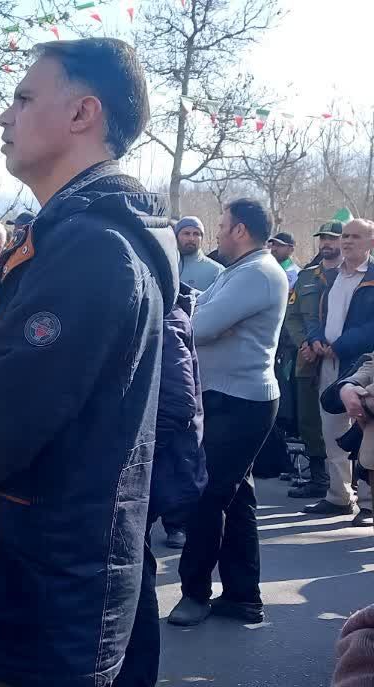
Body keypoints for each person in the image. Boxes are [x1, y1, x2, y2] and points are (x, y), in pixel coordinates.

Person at [0, 38, 178, 687]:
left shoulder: (93, 251)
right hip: (42, 577)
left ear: (82, 113)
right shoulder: (72, 236)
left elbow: (0, 422)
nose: (4, 116)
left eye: (23, 98)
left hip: (49, 589)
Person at [168, 198, 287, 628]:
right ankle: (242, 595)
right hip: (228, 398)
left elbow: (199, 327)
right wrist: (196, 308)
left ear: (240, 230)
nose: (216, 232)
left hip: (240, 403)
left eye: (221, 225)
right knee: (236, 500)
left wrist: (197, 317)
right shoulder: (238, 270)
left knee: (208, 497)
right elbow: (202, 311)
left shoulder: (258, 273)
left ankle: (194, 593)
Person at [114, 282, 205, 687]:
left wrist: (124, 459)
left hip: (139, 472)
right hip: (132, 468)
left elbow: (177, 404)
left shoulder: (162, 315)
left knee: (132, 569)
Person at [302, 218, 374, 526]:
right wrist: (316, 338)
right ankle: (339, 496)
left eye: (356, 237)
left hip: (363, 368)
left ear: (371, 242)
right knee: (332, 431)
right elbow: (318, 316)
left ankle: (369, 504)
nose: (347, 242)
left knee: (366, 434)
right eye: (345, 236)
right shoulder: (330, 276)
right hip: (328, 364)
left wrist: (341, 346)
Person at [285, 224, 342, 499]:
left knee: (343, 418)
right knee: (309, 419)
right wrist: (304, 344)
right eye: (323, 238)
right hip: (308, 359)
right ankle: (319, 478)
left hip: (341, 357)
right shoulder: (307, 277)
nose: (326, 243)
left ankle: (347, 482)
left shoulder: (354, 275)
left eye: (333, 238)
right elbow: (292, 316)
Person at [176, 216, 223, 291]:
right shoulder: (167, 266)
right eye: (186, 233)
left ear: (202, 238)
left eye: (196, 234)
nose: (191, 239)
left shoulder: (217, 271)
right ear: (176, 236)